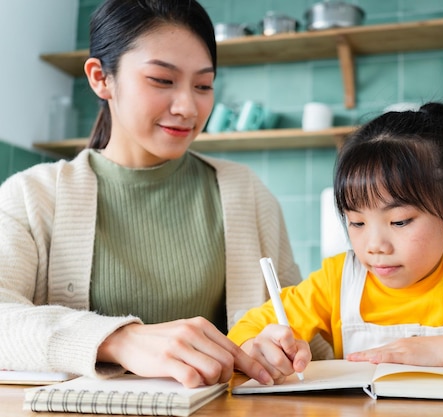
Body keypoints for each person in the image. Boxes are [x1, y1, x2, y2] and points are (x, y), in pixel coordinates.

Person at [0, 0, 305, 388]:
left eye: (203, 86)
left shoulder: (247, 194)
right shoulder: (32, 196)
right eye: (162, 80)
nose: (187, 107)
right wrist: (119, 340)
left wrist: (275, 347)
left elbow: (301, 323)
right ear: (100, 78)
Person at [228, 103, 443, 384]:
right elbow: (245, 333)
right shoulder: (338, 279)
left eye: (399, 221)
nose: (375, 245)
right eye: (357, 222)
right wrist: (258, 348)